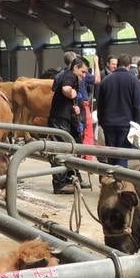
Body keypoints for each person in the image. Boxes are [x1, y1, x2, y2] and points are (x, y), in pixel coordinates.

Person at [97, 52, 140, 167]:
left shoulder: (106, 81)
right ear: (129, 66)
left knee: (112, 156)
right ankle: (121, 182)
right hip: (126, 125)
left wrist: (102, 122)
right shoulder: (133, 81)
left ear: (118, 64)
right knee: (123, 156)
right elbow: (138, 105)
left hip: (108, 125)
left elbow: (100, 105)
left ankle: (112, 180)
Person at [48, 57, 89, 193]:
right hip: (60, 121)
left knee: (71, 149)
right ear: (76, 67)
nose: (83, 75)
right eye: (82, 72)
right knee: (61, 150)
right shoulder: (69, 75)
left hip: (66, 120)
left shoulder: (70, 76)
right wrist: (73, 93)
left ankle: (71, 178)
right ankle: (60, 184)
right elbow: (66, 89)